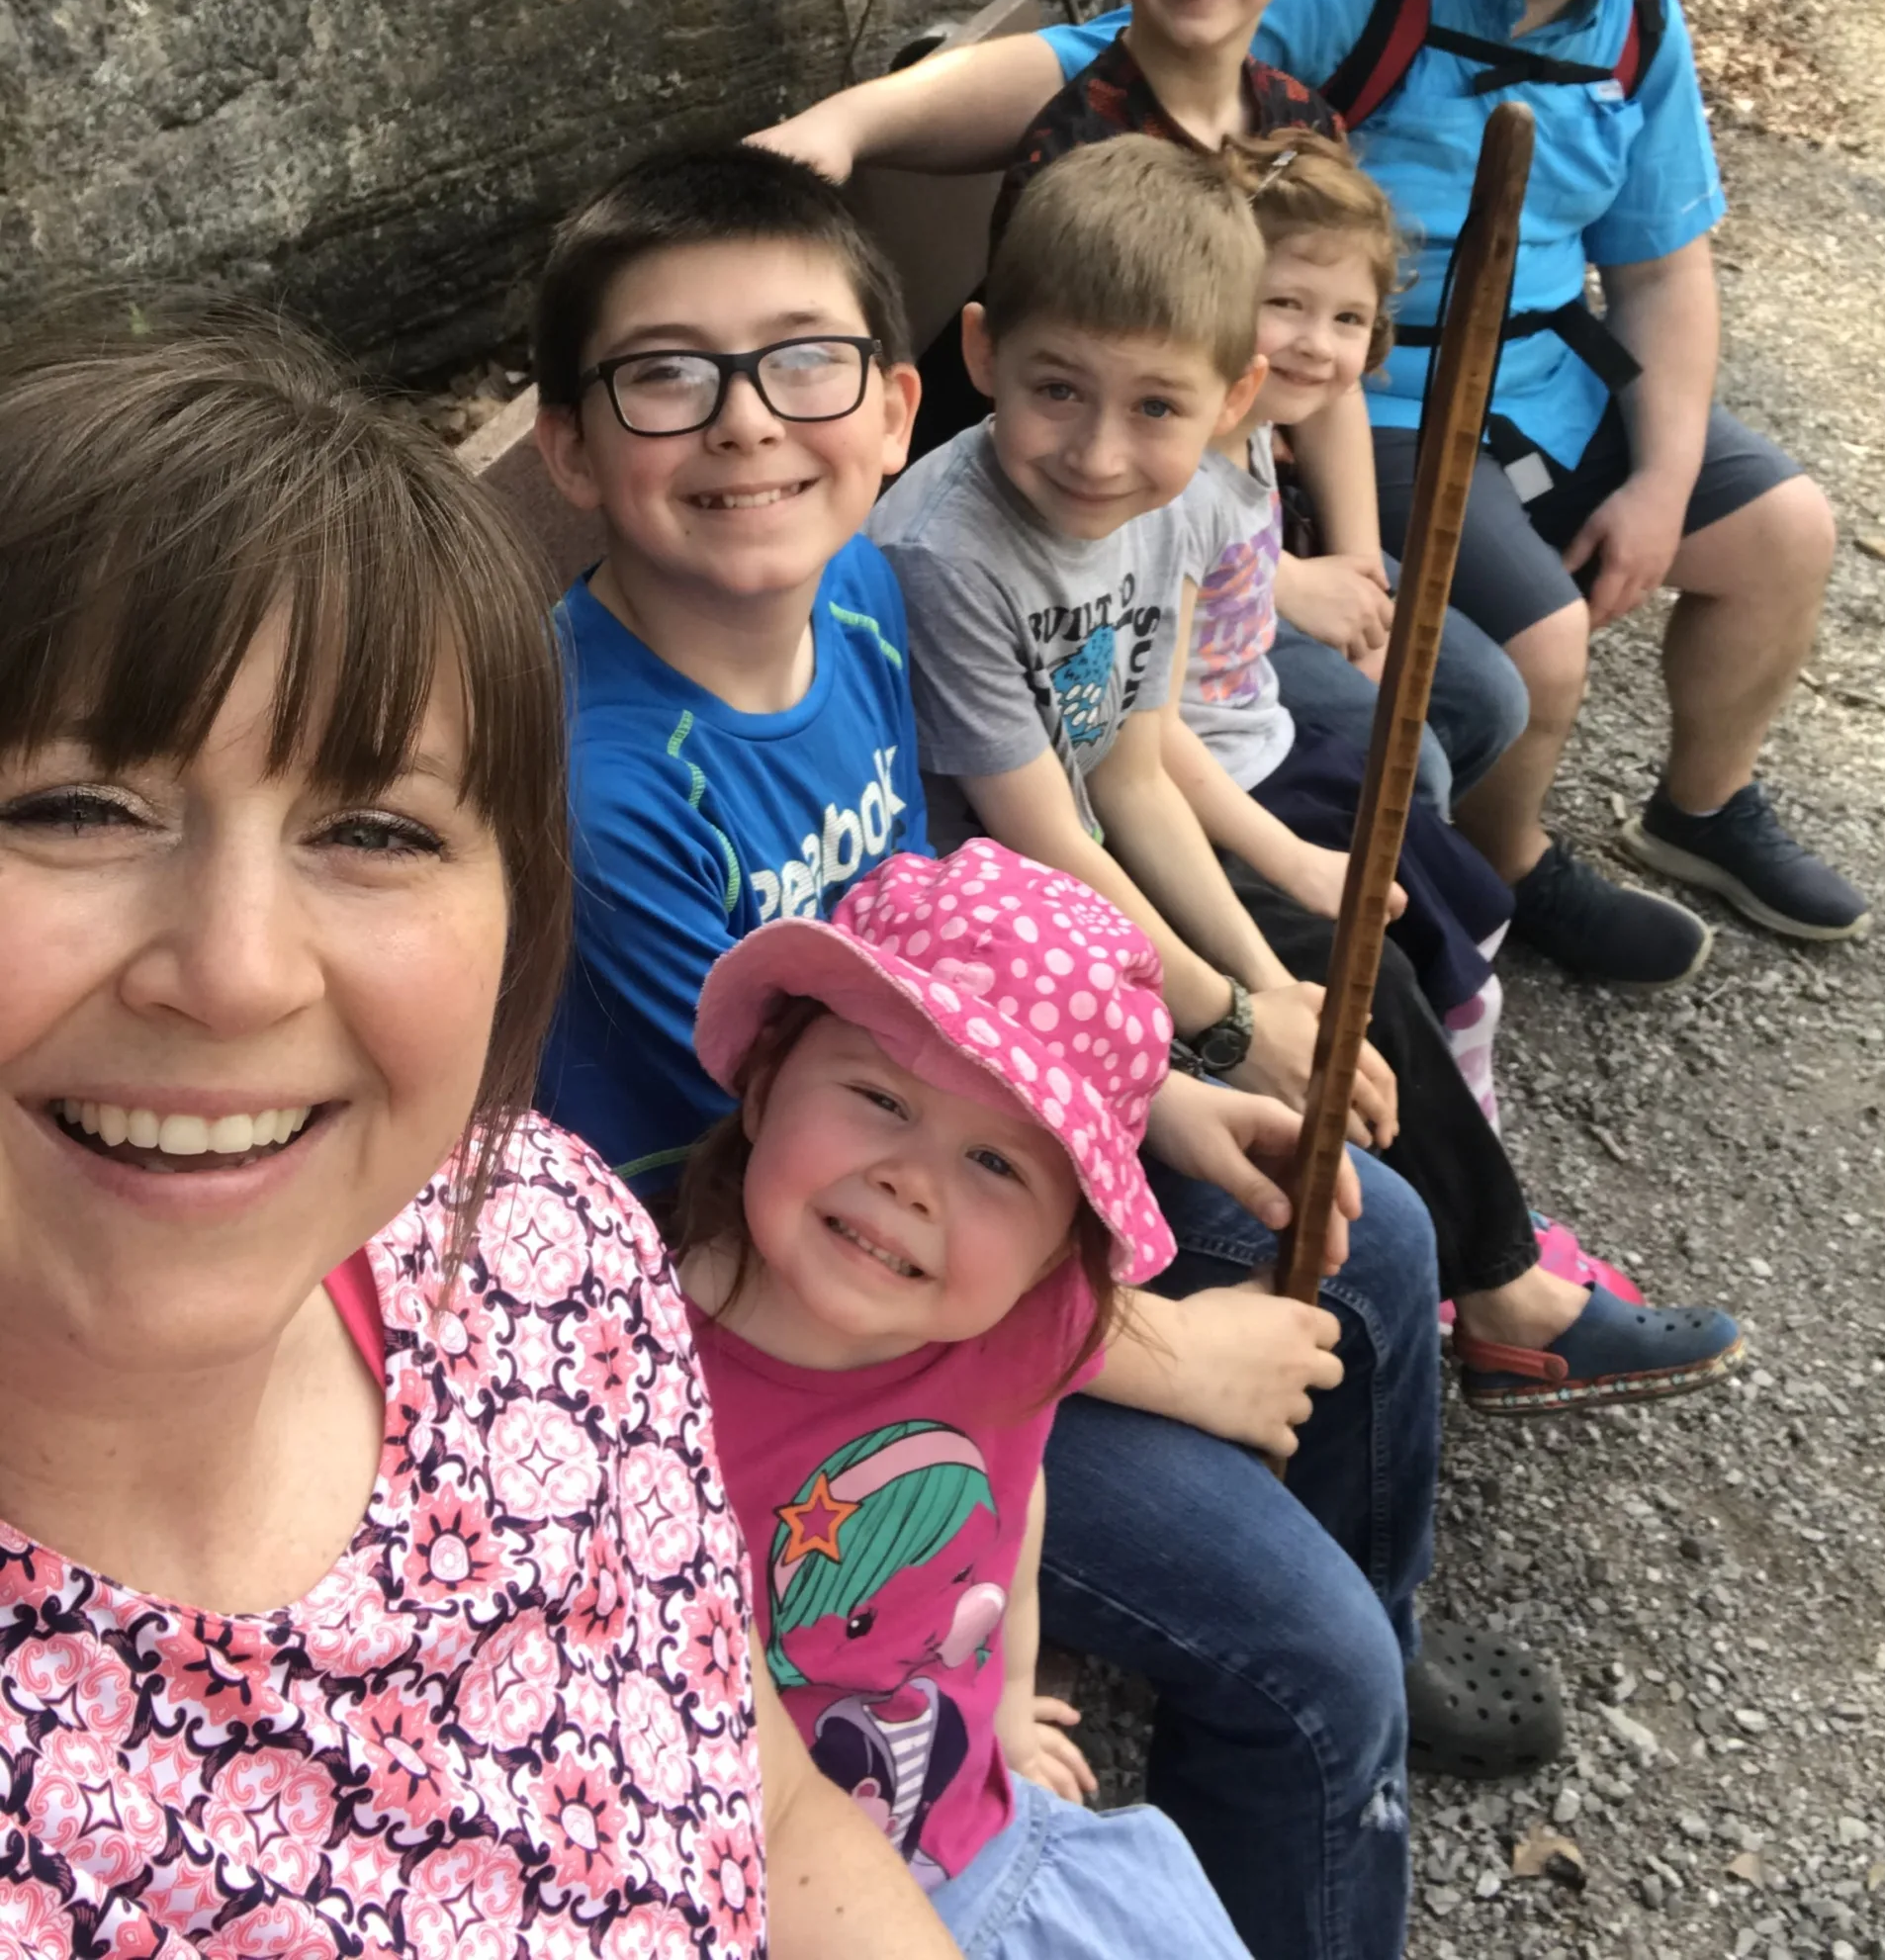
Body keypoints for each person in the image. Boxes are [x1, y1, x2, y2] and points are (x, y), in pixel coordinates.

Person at [528, 143, 1471, 1960]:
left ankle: (1363, 1663)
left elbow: (947, 995)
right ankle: (1305, 1745)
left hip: (940, 1199)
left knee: (1383, 1235)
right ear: (571, 448)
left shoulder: (864, 604)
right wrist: (1154, 1349)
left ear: (892, 409)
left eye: (800, 365)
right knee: (1304, 1670)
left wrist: (1171, 1100)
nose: (744, 430)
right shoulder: (609, 794)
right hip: (793, 1350)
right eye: (667, 378)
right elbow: (796, 1217)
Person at [0, 315, 963, 1958]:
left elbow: (775, 1809)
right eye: (76, 810)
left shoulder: (540, 1244)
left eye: (374, 830)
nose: (233, 975)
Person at [757, 0, 1870, 983]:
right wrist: (848, 122)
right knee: (1527, 658)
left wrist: (1664, 474)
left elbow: (1662, 268)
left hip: (1479, 384)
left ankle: (1692, 809)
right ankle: (1497, 876)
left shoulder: (1634, 18)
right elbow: (1133, 47)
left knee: (1785, 532)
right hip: (1371, 403)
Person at [870, 130, 1742, 1413]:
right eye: (1055, 390)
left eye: (1154, 407)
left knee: (1345, 975)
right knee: (1309, 1012)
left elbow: (1132, 771)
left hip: (1082, 872)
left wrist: (1271, 987)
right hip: (982, 920)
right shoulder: (952, 549)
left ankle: (1488, 1290)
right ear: (984, 352)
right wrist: (1230, 1017)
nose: (1098, 452)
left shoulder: (1156, 507)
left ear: (1232, 400)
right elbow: (1041, 834)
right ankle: (1465, 1288)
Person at [1165, 128, 1743, 1402]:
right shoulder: (1175, 467)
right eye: (1284, 307)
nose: (1312, 342)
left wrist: (1336, 578)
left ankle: (1476, 1214)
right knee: (1381, 940)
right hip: (1217, 791)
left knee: (1453, 929)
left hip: (1255, 743)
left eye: (1345, 317)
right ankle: (1495, 1285)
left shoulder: (1254, 436)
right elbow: (1139, 742)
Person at [868, 0, 1530, 817]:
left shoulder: (1299, 118)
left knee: (1480, 698)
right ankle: (1354, 929)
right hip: (1125, 565)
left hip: (1257, 529)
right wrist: (1287, 589)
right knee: (1404, 766)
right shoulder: (1081, 156)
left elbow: (1330, 368)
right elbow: (1092, 464)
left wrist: (1357, 567)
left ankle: (1444, 903)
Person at [675, 840, 1251, 1958]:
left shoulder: (1022, 1327)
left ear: (1054, 1256)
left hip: (976, 1843)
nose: (914, 1178)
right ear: (764, 1086)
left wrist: (1009, 1700)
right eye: (879, 1095)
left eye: (998, 1164)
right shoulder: (624, 1360)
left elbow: (1012, 1493)